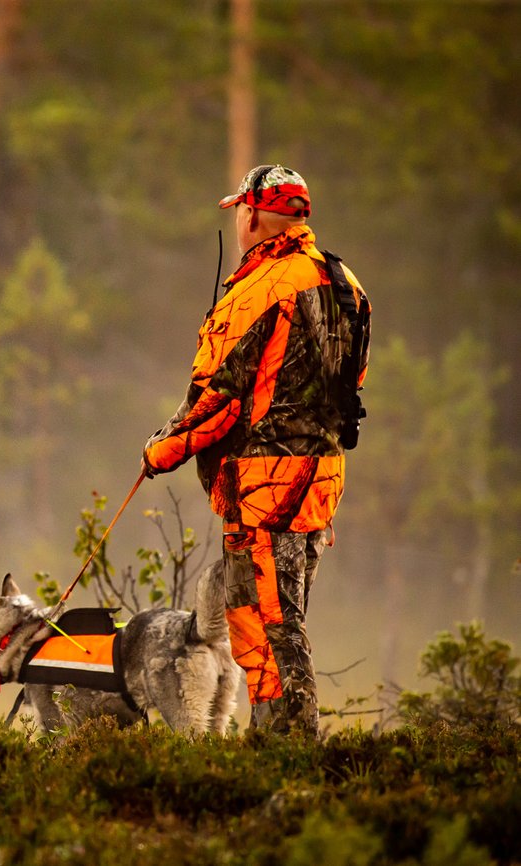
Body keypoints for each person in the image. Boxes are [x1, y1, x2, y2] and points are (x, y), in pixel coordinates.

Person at [141, 164, 370, 736]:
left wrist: (158, 453)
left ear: (254, 215)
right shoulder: (346, 283)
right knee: (286, 619)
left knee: (265, 628)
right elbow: (354, 383)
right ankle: (282, 748)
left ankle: (283, 755)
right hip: (322, 480)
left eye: (241, 209)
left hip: (266, 488)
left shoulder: (260, 290)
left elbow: (215, 400)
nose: (238, 219)